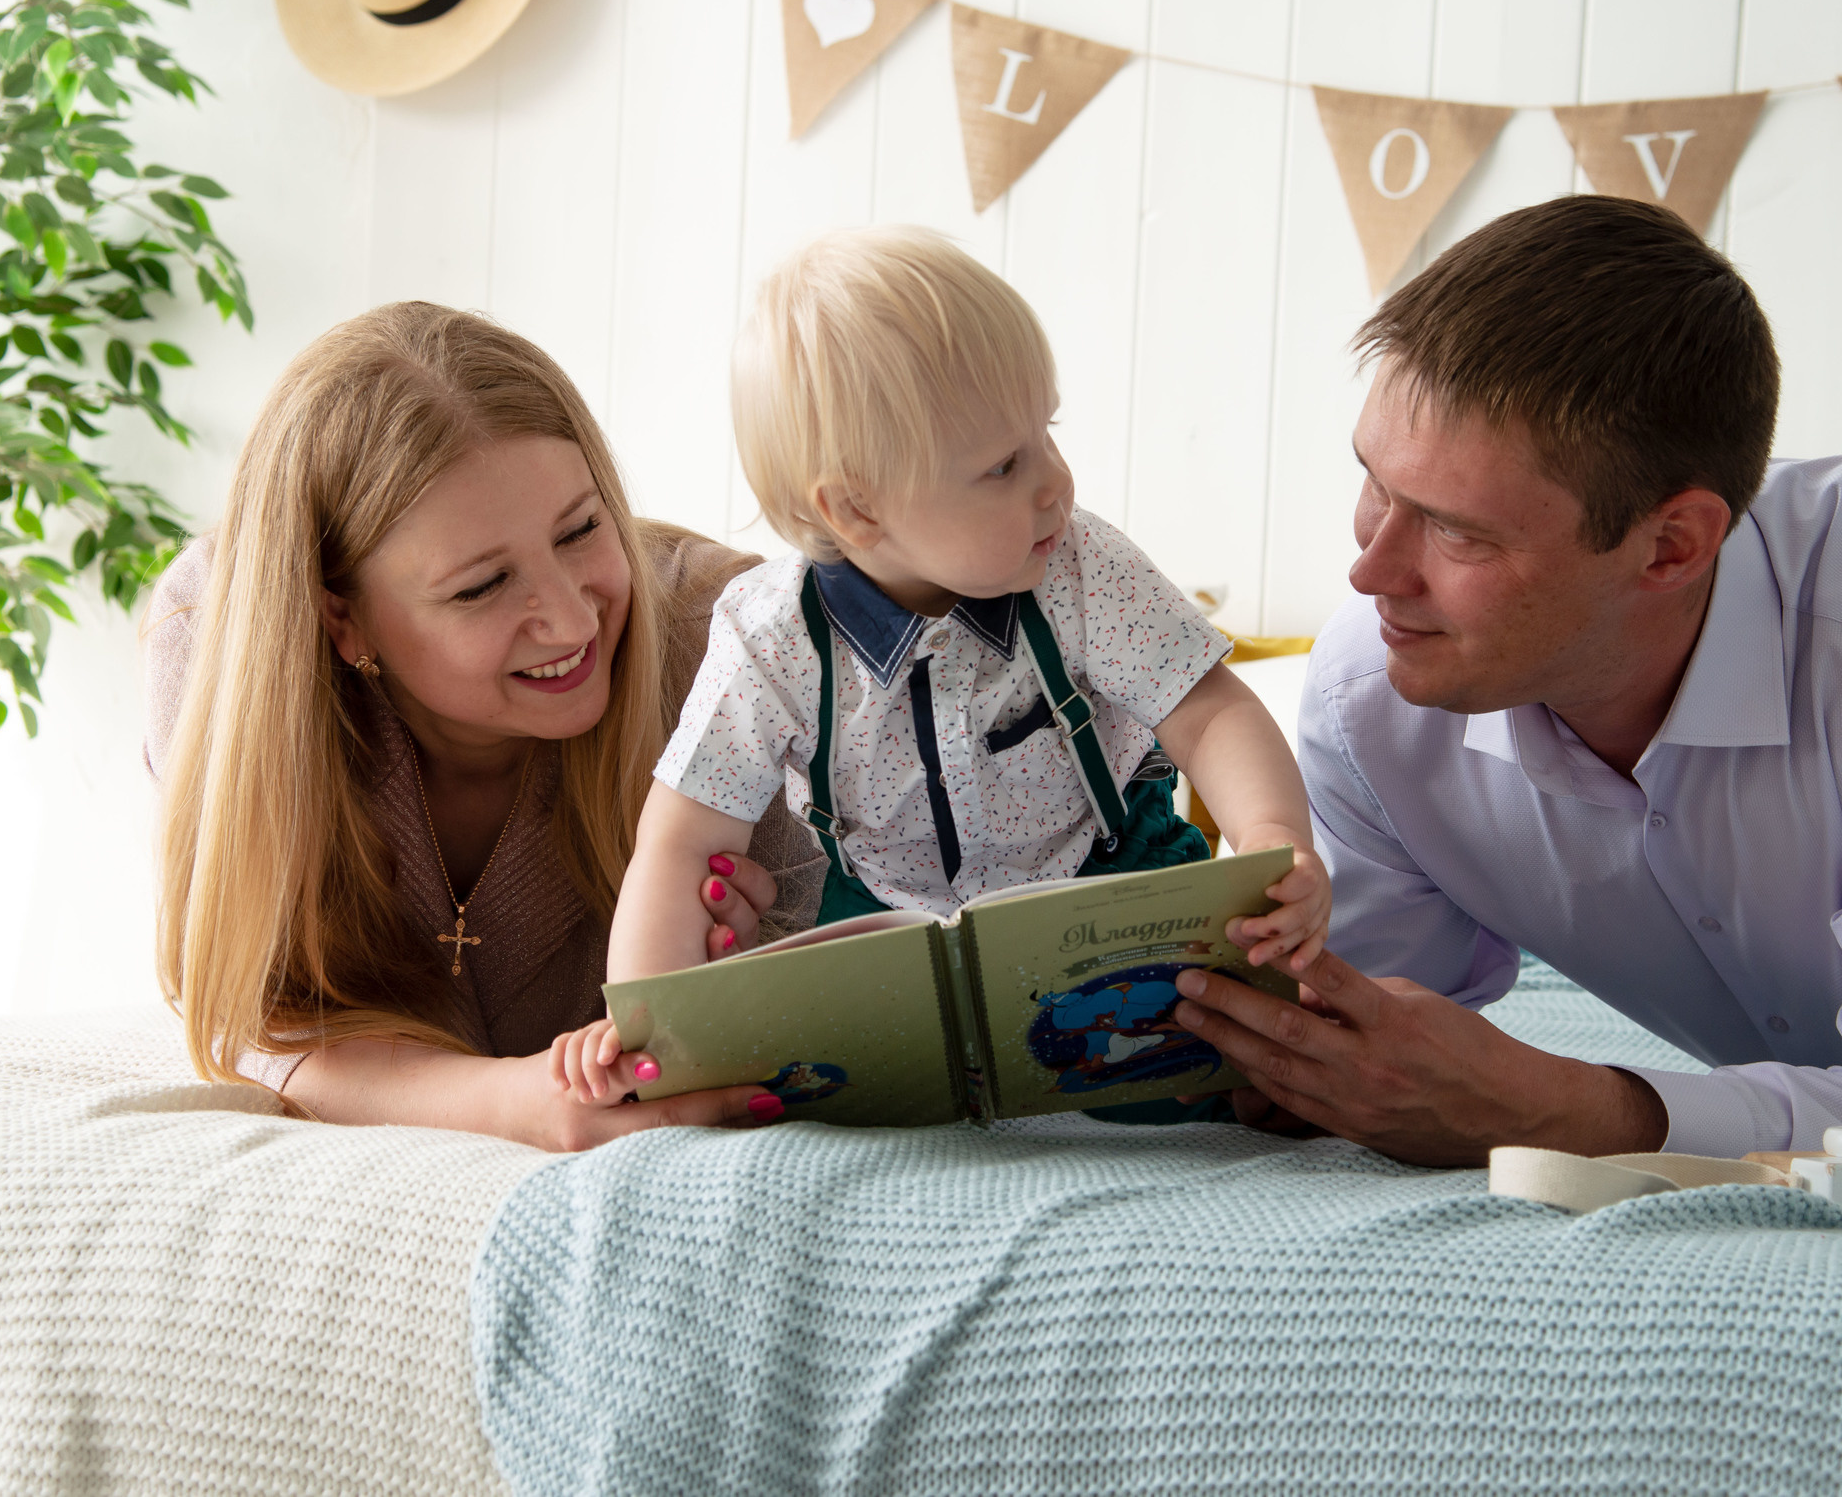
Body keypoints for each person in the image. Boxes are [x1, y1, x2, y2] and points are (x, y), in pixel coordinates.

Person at [1170, 195, 1842, 1187]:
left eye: (1455, 529)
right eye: (1376, 482)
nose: (1370, 570)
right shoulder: (1367, 698)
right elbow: (1361, 1033)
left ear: (1671, 546)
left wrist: (1547, 1104)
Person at [555, 227, 1329, 1102]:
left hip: (1111, 884)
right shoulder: (769, 638)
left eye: (1046, 432)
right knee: (826, 1097)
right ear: (856, 512)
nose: (1057, 482)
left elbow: (1212, 712)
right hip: (887, 925)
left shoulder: (1082, 568)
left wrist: (1273, 841)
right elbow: (683, 840)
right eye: (1004, 465)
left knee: (1225, 1065)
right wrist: (650, 1026)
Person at [146, 302, 824, 1150]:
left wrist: (749, 991)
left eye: (581, 529)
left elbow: (840, 998)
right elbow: (251, 1012)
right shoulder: (216, 640)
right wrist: (520, 1103)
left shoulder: (743, 646)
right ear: (339, 618)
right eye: (482, 586)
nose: (572, 620)